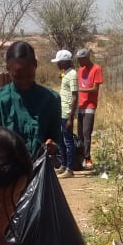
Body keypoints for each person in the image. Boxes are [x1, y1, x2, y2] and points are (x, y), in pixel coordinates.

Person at [0, 41, 61, 159]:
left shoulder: (51, 99)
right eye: (17, 76)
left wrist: (53, 146)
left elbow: (57, 139)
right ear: (8, 69)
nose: (24, 81)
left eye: (29, 76)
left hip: (40, 172)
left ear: (35, 66)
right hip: (8, 173)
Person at [51, 49, 78, 178]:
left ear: (65, 62)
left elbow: (75, 97)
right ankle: (63, 165)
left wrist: (70, 118)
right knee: (61, 140)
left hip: (67, 113)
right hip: (61, 112)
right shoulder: (66, 74)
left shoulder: (72, 74)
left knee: (68, 141)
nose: (57, 64)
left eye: (59, 62)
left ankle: (70, 169)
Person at [76, 48, 103, 170]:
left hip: (90, 105)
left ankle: (88, 158)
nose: (80, 62)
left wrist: (80, 90)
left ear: (87, 58)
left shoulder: (96, 69)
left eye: (81, 59)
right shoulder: (80, 70)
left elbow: (95, 88)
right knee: (80, 134)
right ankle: (80, 158)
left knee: (87, 133)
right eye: (78, 60)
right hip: (80, 105)